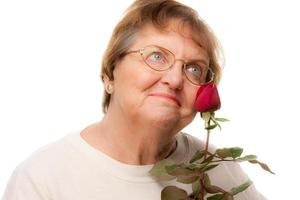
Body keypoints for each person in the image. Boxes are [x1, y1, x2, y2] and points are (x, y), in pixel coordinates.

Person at [2, 0, 267, 199]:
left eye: (194, 68)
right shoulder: (41, 179)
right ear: (109, 74)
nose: (175, 80)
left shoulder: (221, 172)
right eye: (156, 56)